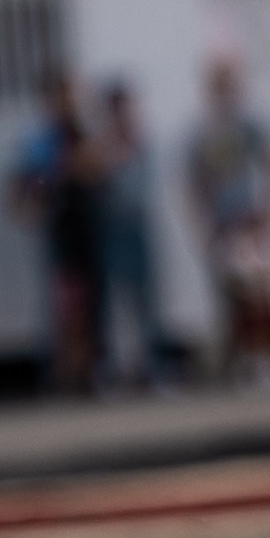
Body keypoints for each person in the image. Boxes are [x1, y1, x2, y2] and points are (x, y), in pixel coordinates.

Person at [184, 59, 270, 381]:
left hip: (250, 220)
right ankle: (242, 359)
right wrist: (202, 221)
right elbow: (196, 180)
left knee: (261, 290)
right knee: (233, 294)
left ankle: (267, 358)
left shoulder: (248, 126)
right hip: (223, 223)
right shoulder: (203, 133)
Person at [9, 74, 103, 395]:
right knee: (66, 305)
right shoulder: (42, 140)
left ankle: (89, 368)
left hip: (88, 228)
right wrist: (32, 203)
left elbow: (95, 170)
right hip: (61, 230)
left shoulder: (83, 133)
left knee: (89, 305)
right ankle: (64, 371)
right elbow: (28, 181)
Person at [95, 81, 162, 389]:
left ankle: (149, 366)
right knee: (115, 300)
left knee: (146, 298)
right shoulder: (103, 145)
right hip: (113, 227)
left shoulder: (140, 141)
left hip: (138, 224)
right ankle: (117, 368)